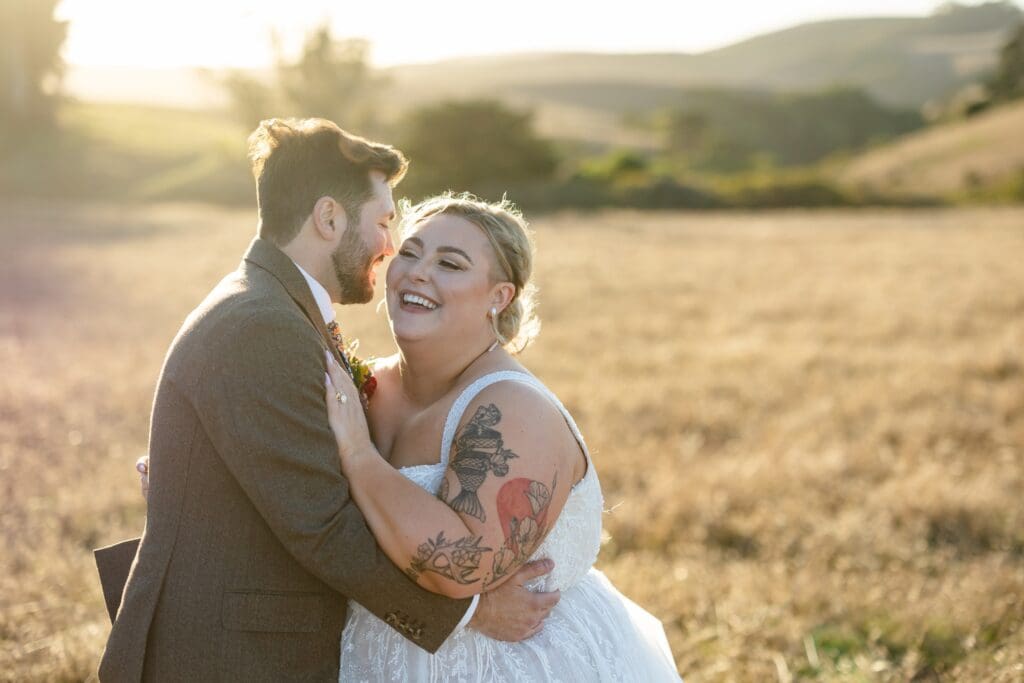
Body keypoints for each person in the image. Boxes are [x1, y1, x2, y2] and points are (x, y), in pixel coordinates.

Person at [97, 118, 556, 682]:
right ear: (329, 218)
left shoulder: (274, 305)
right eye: (383, 222)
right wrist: (471, 613)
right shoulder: (264, 324)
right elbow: (322, 526)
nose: (389, 247)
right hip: (226, 656)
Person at [321, 193, 683, 680]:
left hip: (511, 663)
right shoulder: (359, 388)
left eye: (450, 263)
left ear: (499, 297)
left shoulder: (514, 409)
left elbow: (460, 568)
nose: (418, 273)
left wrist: (359, 456)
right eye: (410, 253)